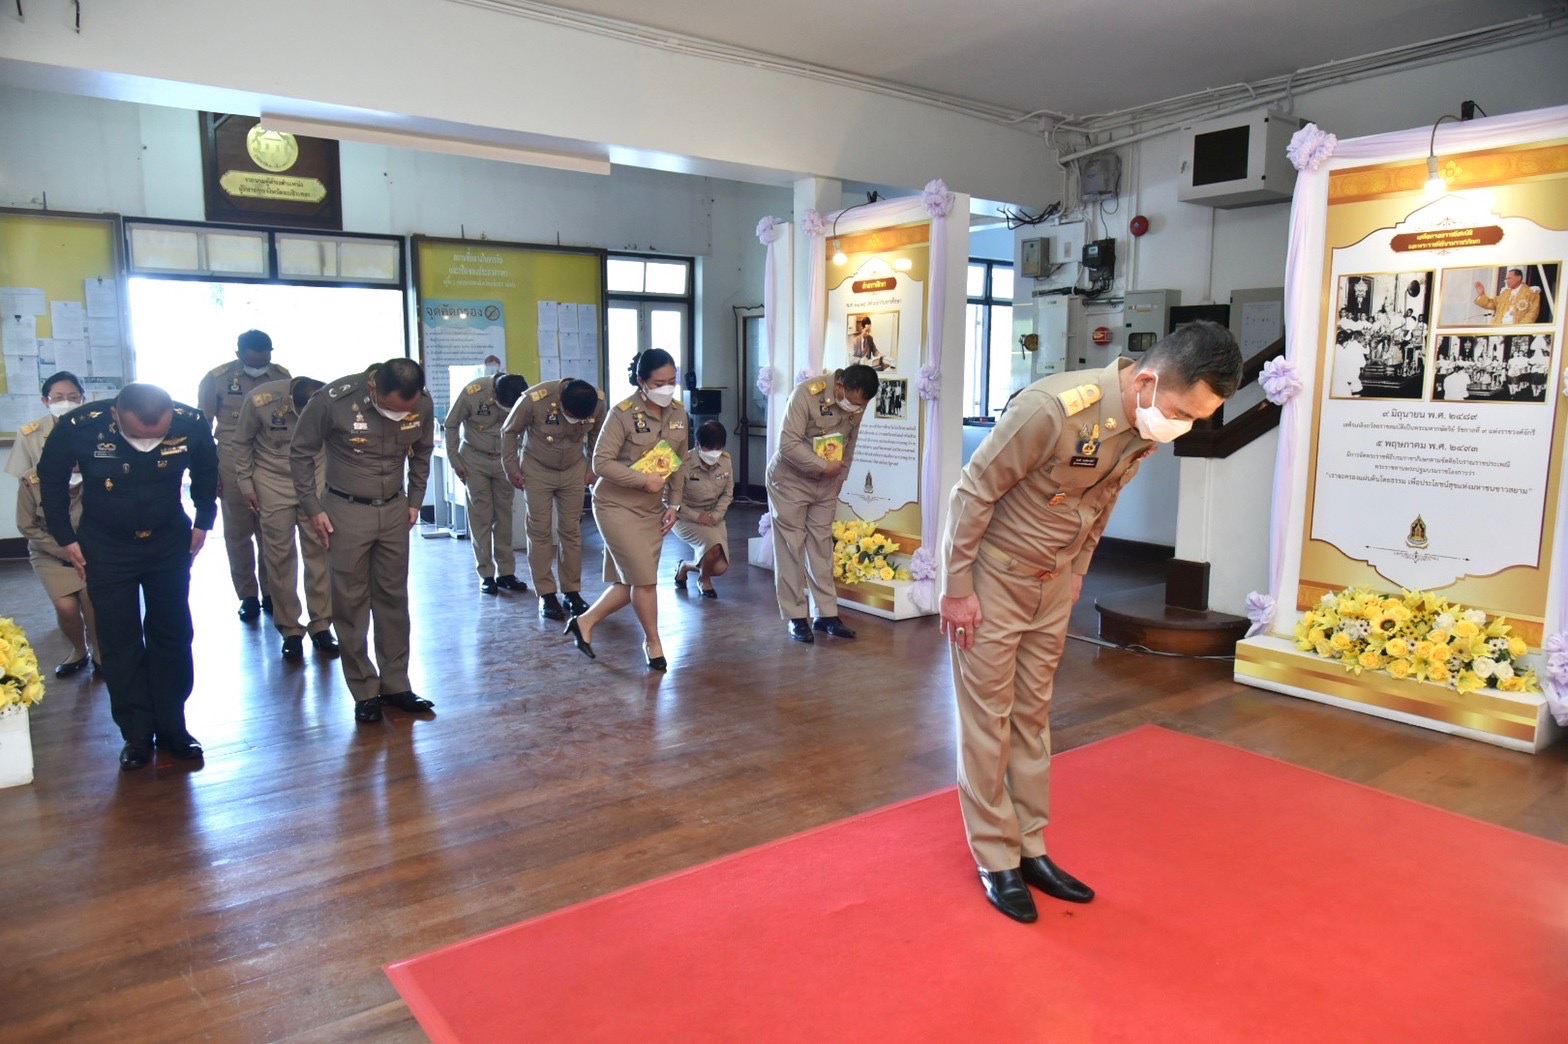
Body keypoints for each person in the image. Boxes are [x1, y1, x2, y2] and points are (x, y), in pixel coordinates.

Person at [939, 321, 1241, 922]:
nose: (1182, 426)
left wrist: (1078, 568)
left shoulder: (1139, 426)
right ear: (1147, 381)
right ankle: (995, 855)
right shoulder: (1051, 410)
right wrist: (955, 589)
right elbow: (972, 494)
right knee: (987, 719)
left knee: (1032, 716)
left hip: (1052, 586)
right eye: (1182, 412)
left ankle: (1030, 847)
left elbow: (1100, 499)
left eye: (1197, 419)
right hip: (995, 581)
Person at [36, 383, 218, 771]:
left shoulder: (190, 422)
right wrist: (65, 537)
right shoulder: (79, 426)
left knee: (173, 633)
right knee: (119, 638)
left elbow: (207, 470)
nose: (147, 444)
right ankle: (135, 733)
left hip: (168, 542)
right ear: (115, 416)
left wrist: (204, 520)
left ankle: (172, 725)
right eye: (138, 436)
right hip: (106, 546)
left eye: (158, 436)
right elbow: (50, 480)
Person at [290, 358, 435, 724]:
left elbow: (422, 453)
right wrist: (312, 507)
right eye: (391, 410)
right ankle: (364, 689)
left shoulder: (422, 403)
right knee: (350, 600)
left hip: (395, 509)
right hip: (346, 510)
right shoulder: (333, 400)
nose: (399, 417)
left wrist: (415, 500)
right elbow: (301, 452)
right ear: (373, 388)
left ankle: (396, 683)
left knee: (393, 597)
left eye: (405, 412)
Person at [564, 349, 687, 670]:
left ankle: (584, 622)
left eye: (672, 381)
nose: (667, 388)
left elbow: (680, 461)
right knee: (645, 581)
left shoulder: (678, 412)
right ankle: (653, 643)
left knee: (630, 581)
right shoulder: (622, 414)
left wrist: (674, 503)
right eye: (659, 383)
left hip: (652, 510)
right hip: (615, 506)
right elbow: (600, 463)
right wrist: (643, 480)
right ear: (641, 381)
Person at [765, 363, 879, 643]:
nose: (856, 409)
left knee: (822, 546)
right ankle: (796, 617)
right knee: (791, 546)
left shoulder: (858, 401)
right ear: (840, 386)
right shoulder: (806, 394)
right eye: (853, 402)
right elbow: (787, 443)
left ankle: (826, 614)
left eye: (861, 406)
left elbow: (850, 442)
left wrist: (841, 477)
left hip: (826, 482)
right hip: (790, 480)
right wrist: (823, 466)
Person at [232, 375, 339, 660]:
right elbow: (240, 443)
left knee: (319, 551)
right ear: (292, 403)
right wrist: (246, 483)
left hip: (314, 478)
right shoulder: (260, 401)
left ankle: (321, 625)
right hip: (272, 479)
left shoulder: (331, 399)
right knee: (279, 556)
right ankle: (290, 629)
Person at [198, 329, 290, 621]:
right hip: (231, 462)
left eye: (265, 360)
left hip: (270, 461)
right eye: (252, 362)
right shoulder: (217, 378)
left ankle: (272, 593)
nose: (259, 366)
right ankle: (248, 594)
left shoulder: (282, 376)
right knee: (238, 533)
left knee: (272, 532)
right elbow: (202, 427)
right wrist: (210, 472)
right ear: (238, 355)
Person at [500, 376, 607, 620]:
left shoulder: (597, 402)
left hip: (573, 469)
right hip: (537, 468)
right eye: (571, 416)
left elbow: (598, 434)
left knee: (571, 531)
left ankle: (571, 592)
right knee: (540, 530)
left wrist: (593, 466)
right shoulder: (534, 400)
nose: (575, 422)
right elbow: (509, 431)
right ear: (561, 402)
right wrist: (511, 468)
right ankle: (546, 594)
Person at [15, 442, 98, 680]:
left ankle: (100, 653)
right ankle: (79, 650)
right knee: (66, 607)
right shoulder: (32, 480)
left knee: (91, 599)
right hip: (50, 552)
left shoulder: (97, 473)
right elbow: (27, 526)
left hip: (90, 552)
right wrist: (65, 551)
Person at [445, 371, 530, 595]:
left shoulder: (522, 395)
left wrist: (520, 462)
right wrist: (455, 460)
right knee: (481, 517)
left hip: (505, 460)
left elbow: (529, 428)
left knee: (504, 516)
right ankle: (486, 574)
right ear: (495, 393)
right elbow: (451, 424)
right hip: (474, 459)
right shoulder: (474, 393)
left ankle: (506, 573)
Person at [672, 420, 734, 599]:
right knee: (713, 546)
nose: (714, 453)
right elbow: (670, 500)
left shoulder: (726, 461)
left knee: (720, 567)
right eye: (709, 448)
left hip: (714, 516)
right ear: (698, 445)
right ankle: (704, 580)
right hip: (685, 517)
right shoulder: (683, 462)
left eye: (718, 448)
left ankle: (685, 566)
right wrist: (697, 516)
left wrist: (716, 515)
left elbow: (728, 494)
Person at [5, 370, 86, 483]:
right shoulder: (29, 435)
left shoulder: (97, 429)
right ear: (45, 401)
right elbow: (24, 480)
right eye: (58, 398)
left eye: (73, 397)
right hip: (44, 492)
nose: (66, 403)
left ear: (83, 400)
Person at [1474, 268, 1542, 326]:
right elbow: (1491, 304)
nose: (1507, 281)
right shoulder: (1505, 293)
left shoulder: (1531, 293)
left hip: (1516, 331)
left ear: (1519, 278)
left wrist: (1519, 329)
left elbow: (1532, 314)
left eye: (1509, 278)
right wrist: (1482, 294)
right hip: (1499, 329)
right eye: (1506, 279)